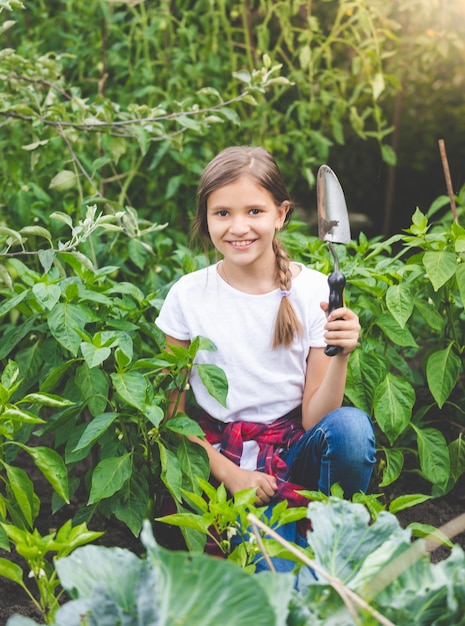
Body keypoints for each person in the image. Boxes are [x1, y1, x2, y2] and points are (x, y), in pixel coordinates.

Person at [155, 145, 376, 571]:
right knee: (270, 578)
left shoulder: (312, 291)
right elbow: (172, 417)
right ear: (206, 218)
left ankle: (335, 539)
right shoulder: (189, 295)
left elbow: (318, 420)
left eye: (254, 211)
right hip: (221, 455)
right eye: (222, 213)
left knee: (351, 428)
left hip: (295, 452)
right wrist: (230, 475)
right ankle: (299, 554)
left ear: (281, 214)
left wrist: (341, 354)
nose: (238, 227)